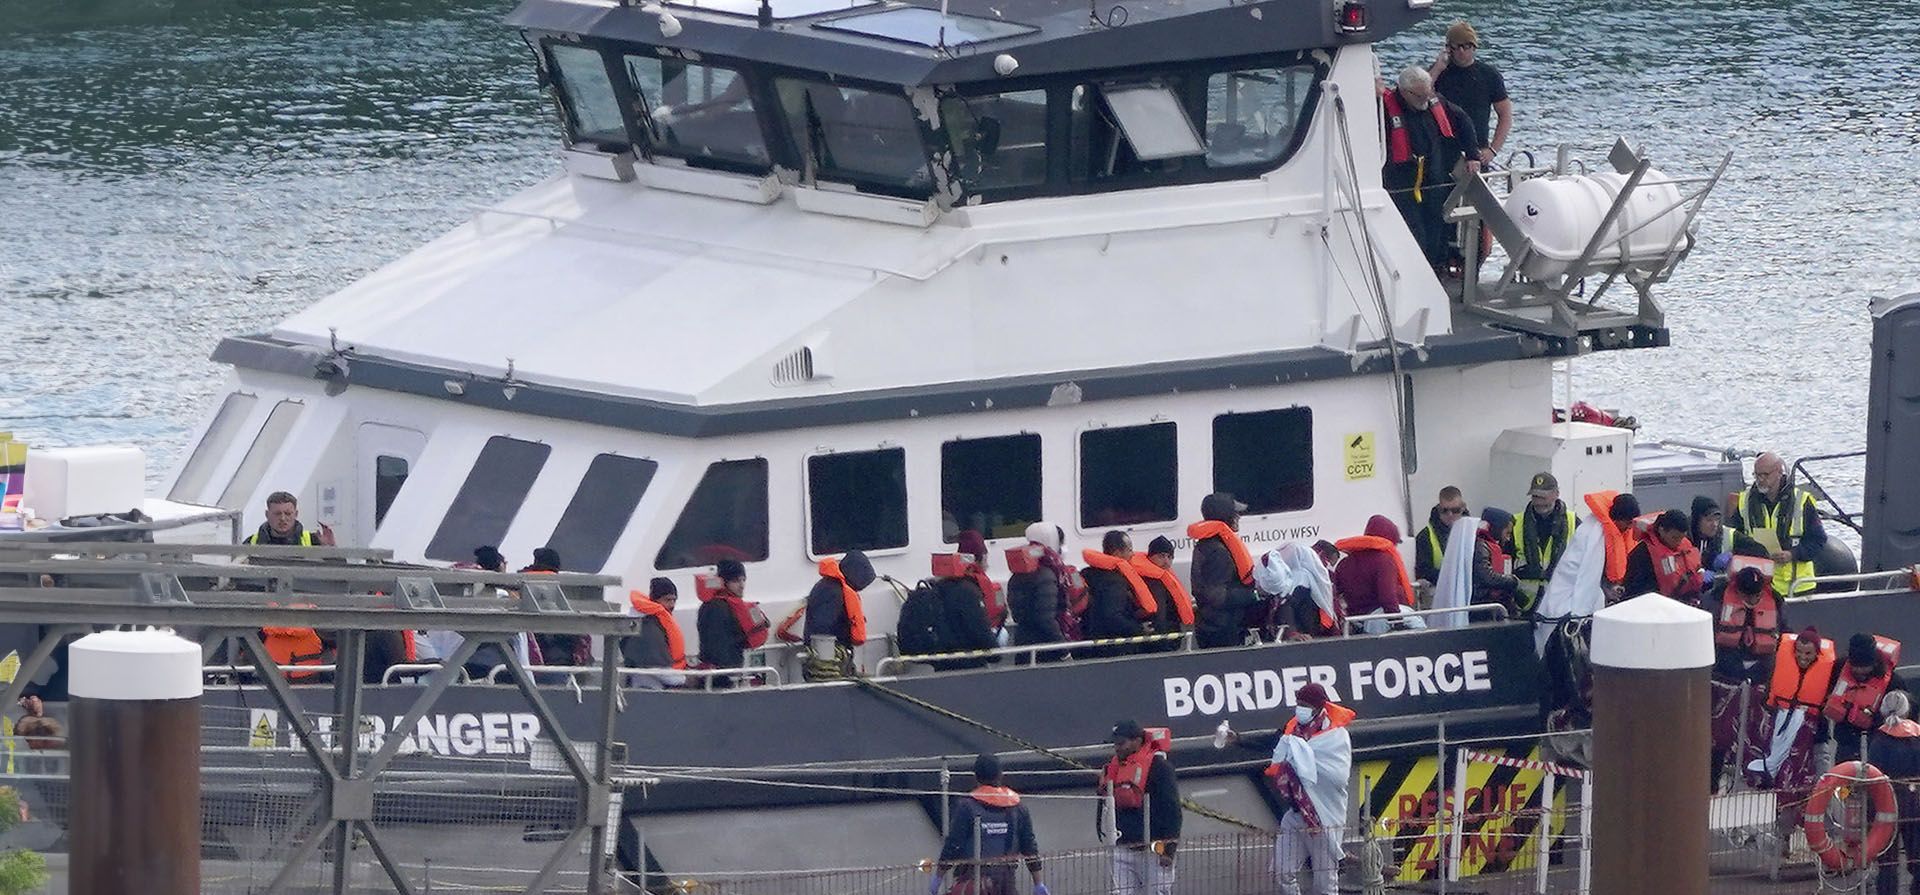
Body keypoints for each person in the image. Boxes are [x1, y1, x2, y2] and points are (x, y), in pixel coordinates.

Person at [1380, 65, 1480, 275]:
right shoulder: (1383, 108)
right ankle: (1413, 273)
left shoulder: (1435, 102)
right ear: (1405, 92)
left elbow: (1463, 121)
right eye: (1420, 97)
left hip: (1432, 177)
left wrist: (1472, 155)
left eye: (1428, 94)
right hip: (1401, 181)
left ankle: (1434, 269)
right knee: (1412, 229)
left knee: (1436, 225)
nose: (1425, 101)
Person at [1266, 683, 1354, 895]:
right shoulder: (1292, 730)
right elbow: (1271, 743)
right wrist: (1238, 739)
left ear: (1317, 707)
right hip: (1295, 814)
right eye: (1298, 704)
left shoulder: (1336, 736)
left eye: (1304, 704)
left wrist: (1302, 758)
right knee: (1281, 872)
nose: (1299, 709)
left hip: (1321, 819)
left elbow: (1338, 776)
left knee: (1325, 882)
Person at [1748, 628, 1835, 835]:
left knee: (1821, 783)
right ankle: (1783, 839)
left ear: (1817, 654)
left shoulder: (1829, 673)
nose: (1802, 657)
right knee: (1785, 785)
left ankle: (1827, 834)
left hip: (1814, 741)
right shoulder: (1777, 666)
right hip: (1783, 737)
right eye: (1799, 652)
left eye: (1808, 653)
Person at [932, 754, 1046, 895]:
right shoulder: (1018, 807)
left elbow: (953, 845)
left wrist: (938, 877)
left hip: (974, 883)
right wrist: (1038, 883)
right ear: (1001, 774)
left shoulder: (967, 806)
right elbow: (1030, 847)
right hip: (1006, 883)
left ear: (976, 776)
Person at [1728, 452, 1828, 596]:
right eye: (1757, 475)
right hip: (1760, 584)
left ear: (1779, 473)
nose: (1760, 480)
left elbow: (1818, 540)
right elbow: (1735, 536)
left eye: (1765, 475)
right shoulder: (1745, 501)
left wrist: (1793, 554)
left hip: (1798, 586)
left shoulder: (1802, 501)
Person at [1099, 720, 1180, 895]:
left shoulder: (1159, 768)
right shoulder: (1114, 768)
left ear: (1137, 740)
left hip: (1153, 849)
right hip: (1123, 847)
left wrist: (1169, 850)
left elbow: (1172, 810)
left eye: (1121, 743)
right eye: (1115, 744)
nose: (1117, 748)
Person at [1428, 21, 1512, 164]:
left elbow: (1505, 115)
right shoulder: (1440, 72)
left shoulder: (1489, 75)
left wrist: (1493, 150)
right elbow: (1420, 93)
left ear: (1474, 47)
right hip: (1443, 149)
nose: (1461, 51)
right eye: (1456, 46)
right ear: (1449, 49)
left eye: (1466, 46)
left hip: (1477, 150)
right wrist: (1438, 67)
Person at [1188, 493, 1258, 649]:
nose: (1239, 517)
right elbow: (1216, 596)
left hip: (1215, 626)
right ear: (1226, 517)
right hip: (1221, 630)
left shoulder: (1207, 545)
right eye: (1236, 513)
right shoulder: (1218, 551)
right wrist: (1254, 594)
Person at [1826, 633, 1908, 764]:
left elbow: (1904, 716)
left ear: (1874, 663)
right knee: (1844, 781)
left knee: (1875, 779)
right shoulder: (1838, 669)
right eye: (1855, 666)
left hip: (1878, 745)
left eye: (1864, 667)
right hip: (1846, 741)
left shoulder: (1894, 682)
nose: (1859, 671)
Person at [1869, 691, 1920, 895]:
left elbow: (1872, 772)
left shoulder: (1879, 739)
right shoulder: (1917, 737)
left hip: (1884, 806)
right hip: (1914, 802)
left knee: (1887, 862)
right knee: (1917, 854)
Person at [1333, 515, 1419, 633]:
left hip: (1357, 621)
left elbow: (1335, 593)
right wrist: (1397, 621)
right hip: (1380, 618)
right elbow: (1387, 596)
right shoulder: (1384, 560)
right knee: (1419, 627)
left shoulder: (1344, 564)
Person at [803, 550, 875, 681]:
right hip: (828, 666)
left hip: (840, 662)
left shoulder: (828, 586)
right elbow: (821, 631)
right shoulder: (832, 592)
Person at [1007, 523, 1076, 657]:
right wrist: (1064, 649)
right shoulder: (1047, 575)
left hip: (1023, 644)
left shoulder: (1018, 575)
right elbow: (1046, 619)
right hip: (1046, 649)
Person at [1513, 472, 1577, 615]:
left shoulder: (1573, 522)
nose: (1539, 501)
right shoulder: (1516, 522)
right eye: (1535, 496)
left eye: (1543, 496)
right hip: (1525, 605)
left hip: (1559, 604)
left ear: (1556, 494)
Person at [1081, 531, 1156, 652]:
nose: (1132, 554)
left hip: (1089, 639)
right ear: (1117, 554)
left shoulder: (1087, 573)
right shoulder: (1114, 581)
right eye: (1129, 550)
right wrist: (1139, 629)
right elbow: (1112, 617)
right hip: (1112, 646)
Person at [695, 560, 767, 681]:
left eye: (743, 580)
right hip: (722, 675)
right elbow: (717, 644)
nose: (742, 585)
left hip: (729, 671)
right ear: (724, 583)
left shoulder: (718, 605)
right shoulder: (717, 608)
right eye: (736, 581)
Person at [1623, 510, 1707, 603]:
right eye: (1674, 538)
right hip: (1654, 606)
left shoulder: (1685, 545)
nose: (1678, 542)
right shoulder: (1641, 554)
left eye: (1682, 538)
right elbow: (1634, 592)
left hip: (1683, 604)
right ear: (1661, 530)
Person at [932, 548, 999, 666]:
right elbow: (979, 627)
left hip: (941, 660)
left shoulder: (934, 589)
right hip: (968, 659)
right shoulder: (968, 591)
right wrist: (995, 654)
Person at [1131, 536, 1196, 650]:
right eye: (1161, 556)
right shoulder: (1151, 582)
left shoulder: (1164, 578)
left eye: (1169, 557)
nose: (1166, 560)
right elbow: (1159, 614)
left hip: (1170, 635)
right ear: (1150, 557)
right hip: (1159, 639)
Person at [623, 578, 687, 687]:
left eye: (674, 600)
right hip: (647, 687)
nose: (672, 605)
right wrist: (683, 679)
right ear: (655, 600)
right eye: (667, 600)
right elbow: (653, 666)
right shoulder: (647, 627)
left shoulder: (656, 622)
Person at [1414, 486, 1468, 592]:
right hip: (1440, 594)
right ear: (1439, 509)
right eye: (1445, 510)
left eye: (1455, 510)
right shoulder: (1425, 535)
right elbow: (1423, 571)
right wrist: (1453, 576)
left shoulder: (1472, 532)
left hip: (1468, 593)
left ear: (1463, 508)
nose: (1450, 515)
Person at [956, 530, 1008, 633]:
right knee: (1003, 634)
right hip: (985, 636)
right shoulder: (985, 585)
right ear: (982, 557)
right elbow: (1002, 613)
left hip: (957, 638)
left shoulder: (948, 582)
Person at [244, 490, 333, 547]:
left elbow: (337, 571)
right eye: (277, 514)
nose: (283, 518)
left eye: (288, 514)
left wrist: (331, 551)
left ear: (296, 514)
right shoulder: (250, 543)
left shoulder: (313, 541)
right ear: (267, 514)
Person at [1474, 507, 1522, 610]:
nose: (1508, 538)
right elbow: (1487, 577)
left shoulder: (1484, 545)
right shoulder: (1480, 546)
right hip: (1483, 604)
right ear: (1497, 528)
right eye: (1507, 533)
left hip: (1491, 603)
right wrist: (1513, 580)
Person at [1690, 496, 1735, 580]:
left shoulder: (1724, 533)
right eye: (1709, 520)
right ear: (1697, 521)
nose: (1715, 524)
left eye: (1717, 519)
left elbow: (1758, 549)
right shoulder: (1684, 536)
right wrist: (1699, 573)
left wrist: (1733, 555)